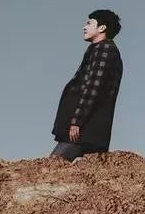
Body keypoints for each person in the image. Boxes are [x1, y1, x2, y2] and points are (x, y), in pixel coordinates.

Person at [50, 10, 124, 161]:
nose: (84, 27)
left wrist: (77, 121)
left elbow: (93, 88)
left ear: (102, 28)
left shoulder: (104, 48)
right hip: (85, 128)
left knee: (52, 167)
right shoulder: (97, 49)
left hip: (84, 129)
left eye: (89, 23)